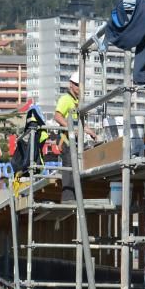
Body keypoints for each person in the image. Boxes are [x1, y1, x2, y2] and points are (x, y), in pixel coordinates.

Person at [54, 72, 97, 201]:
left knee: (76, 168)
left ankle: (76, 197)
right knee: (69, 168)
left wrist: (89, 131)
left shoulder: (77, 101)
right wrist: (70, 128)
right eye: (77, 85)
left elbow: (79, 122)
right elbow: (57, 116)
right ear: (71, 85)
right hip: (66, 140)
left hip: (74, 139)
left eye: (81, 86)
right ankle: (68, 198)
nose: (79, 88)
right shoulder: (65, 99)